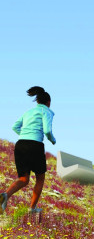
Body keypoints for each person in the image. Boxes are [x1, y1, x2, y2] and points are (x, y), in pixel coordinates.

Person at [0, 86, 56, 216]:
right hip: (35, 146)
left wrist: (24, 135)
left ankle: (4, 196)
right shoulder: (47, 111)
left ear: (37, 102)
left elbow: (15, 126)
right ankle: (32, 209)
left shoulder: (28, 112)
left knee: (24, 179)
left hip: (20, 145)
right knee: (40, 178)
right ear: (48, 102)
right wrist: (52, 140)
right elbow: (47, 131)